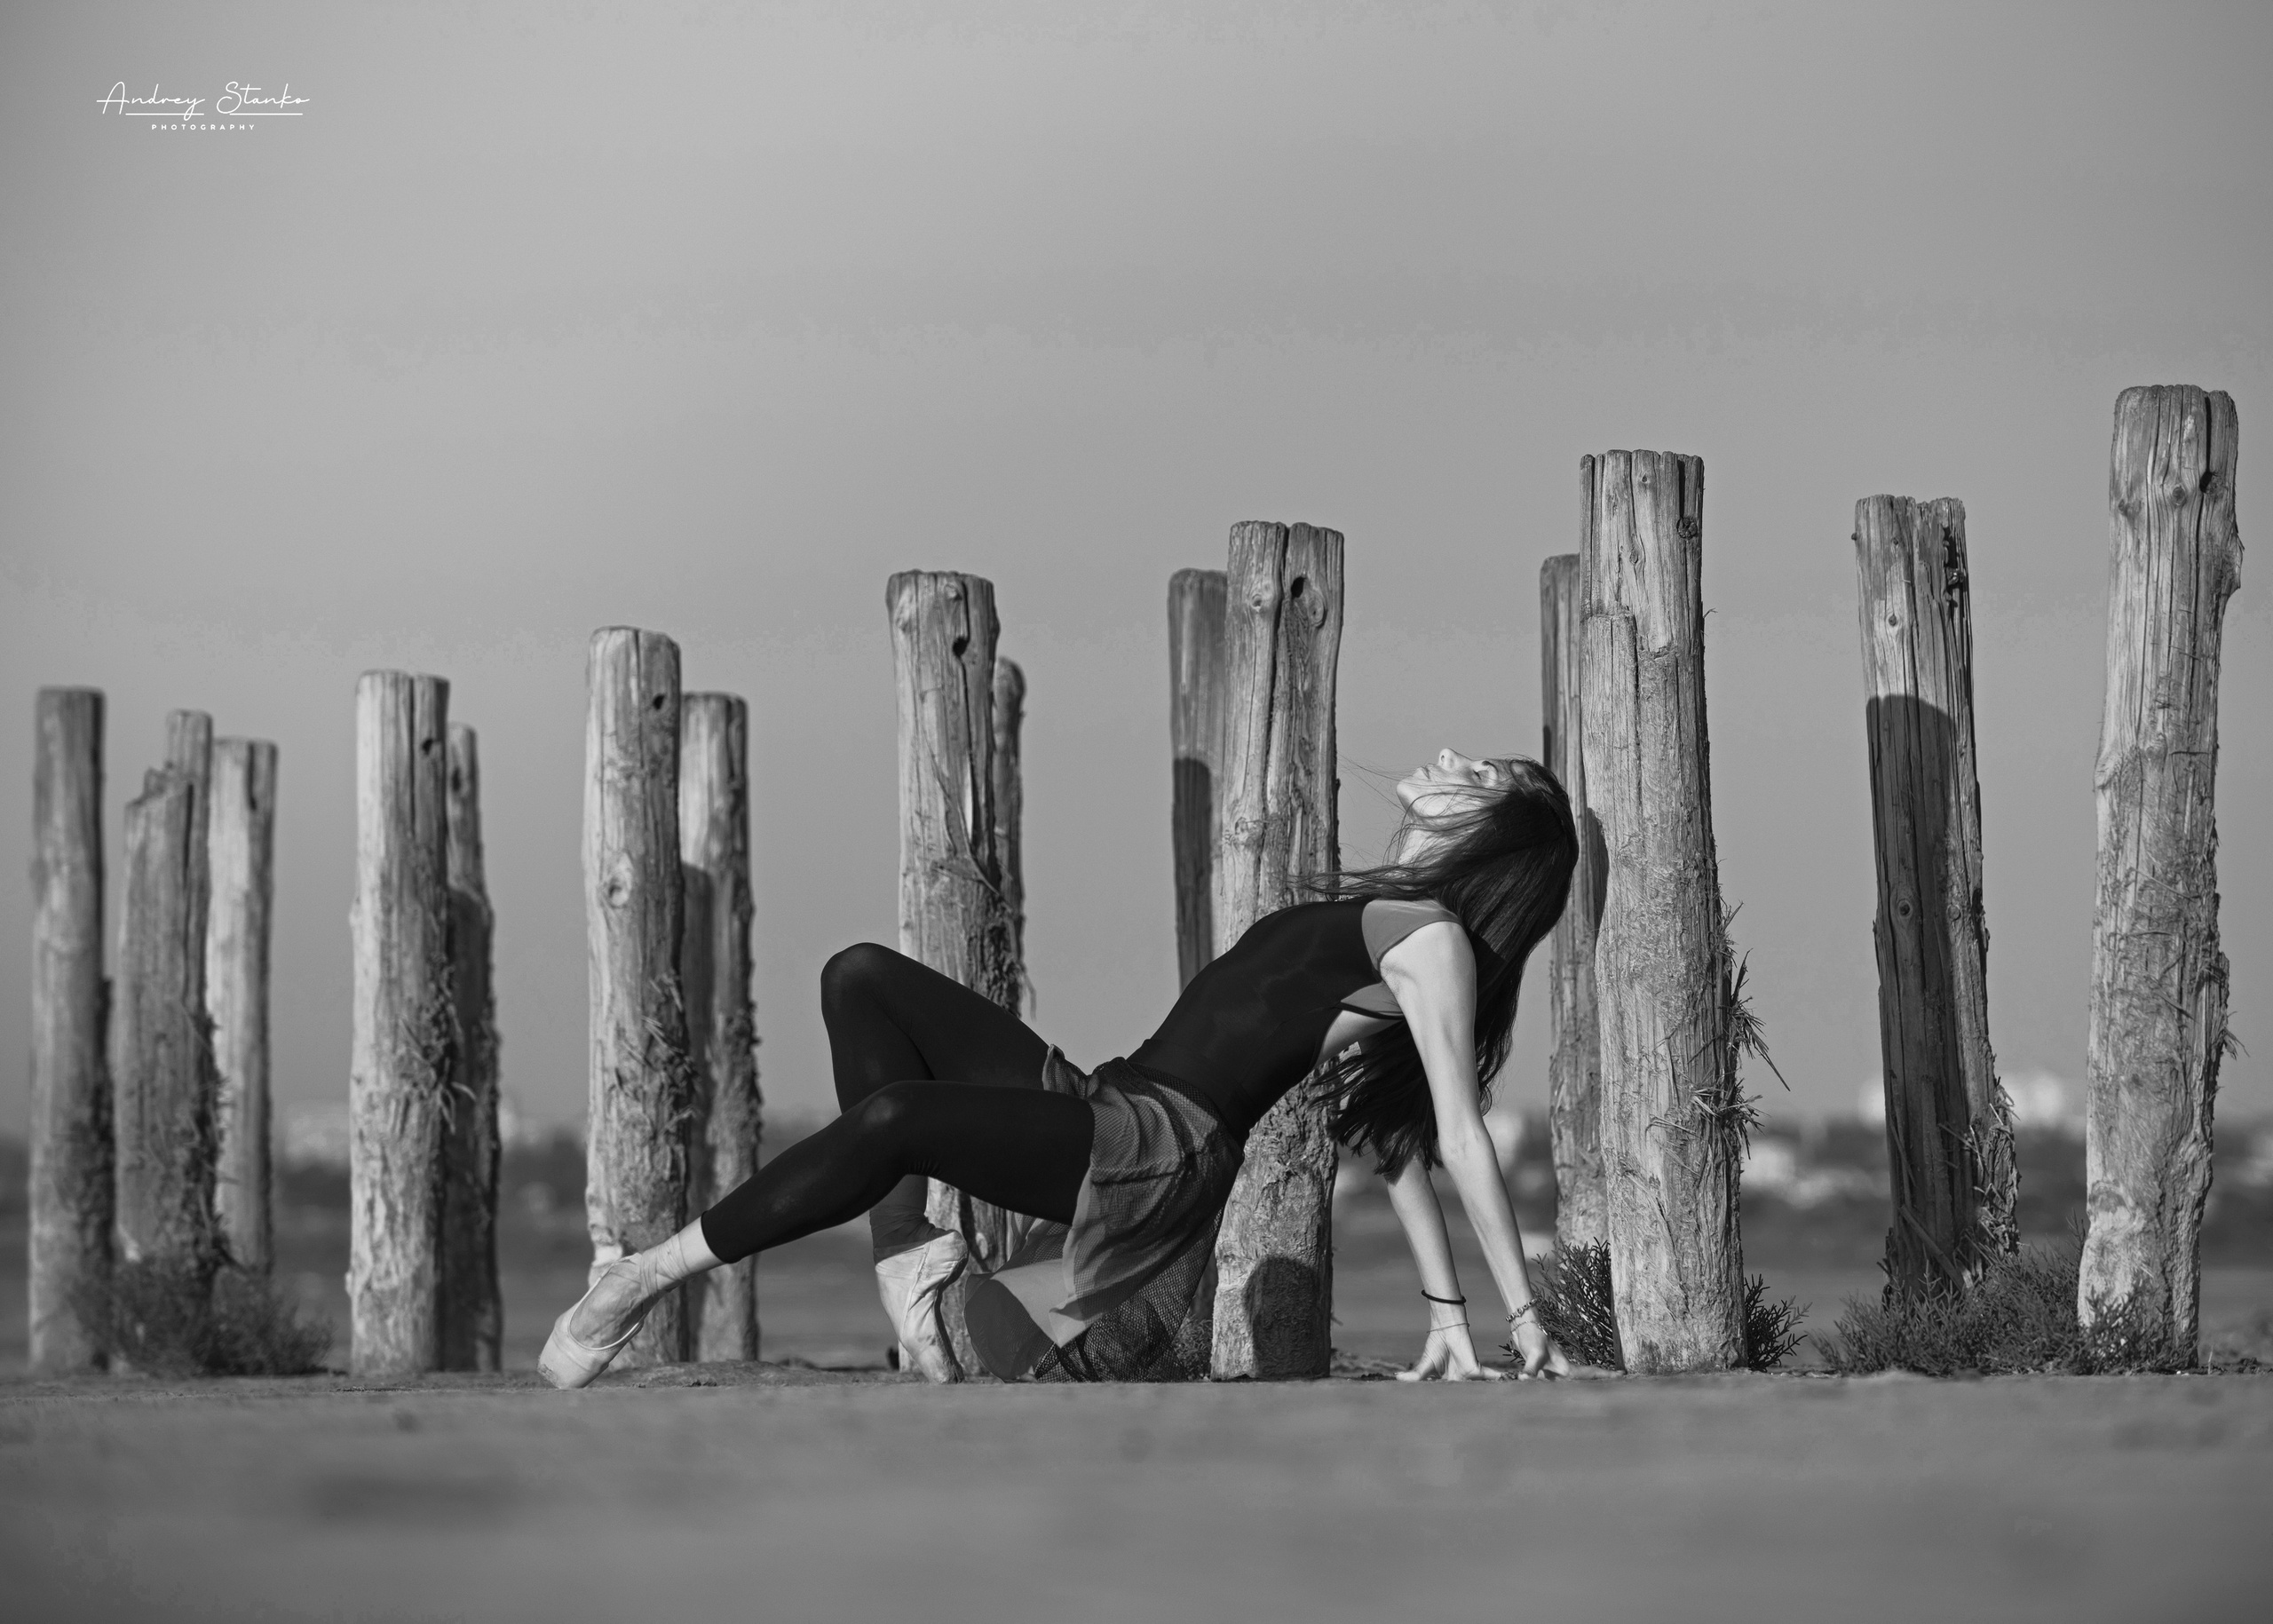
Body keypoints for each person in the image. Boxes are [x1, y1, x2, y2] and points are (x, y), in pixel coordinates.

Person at [541, 749, 1578, 1388]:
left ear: (1489, 837)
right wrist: (1445, 1322)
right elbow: (1394, 1147)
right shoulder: (1403, 927)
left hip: (1159, 1149)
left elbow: (1451, 1132)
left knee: (901, 1115)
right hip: (1116, 1099)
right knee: (860, 977)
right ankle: (908, 1266)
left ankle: (639, 1278)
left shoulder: (1436, 937)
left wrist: (1507, 1320)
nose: (1450, 758)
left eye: (1480, 773)